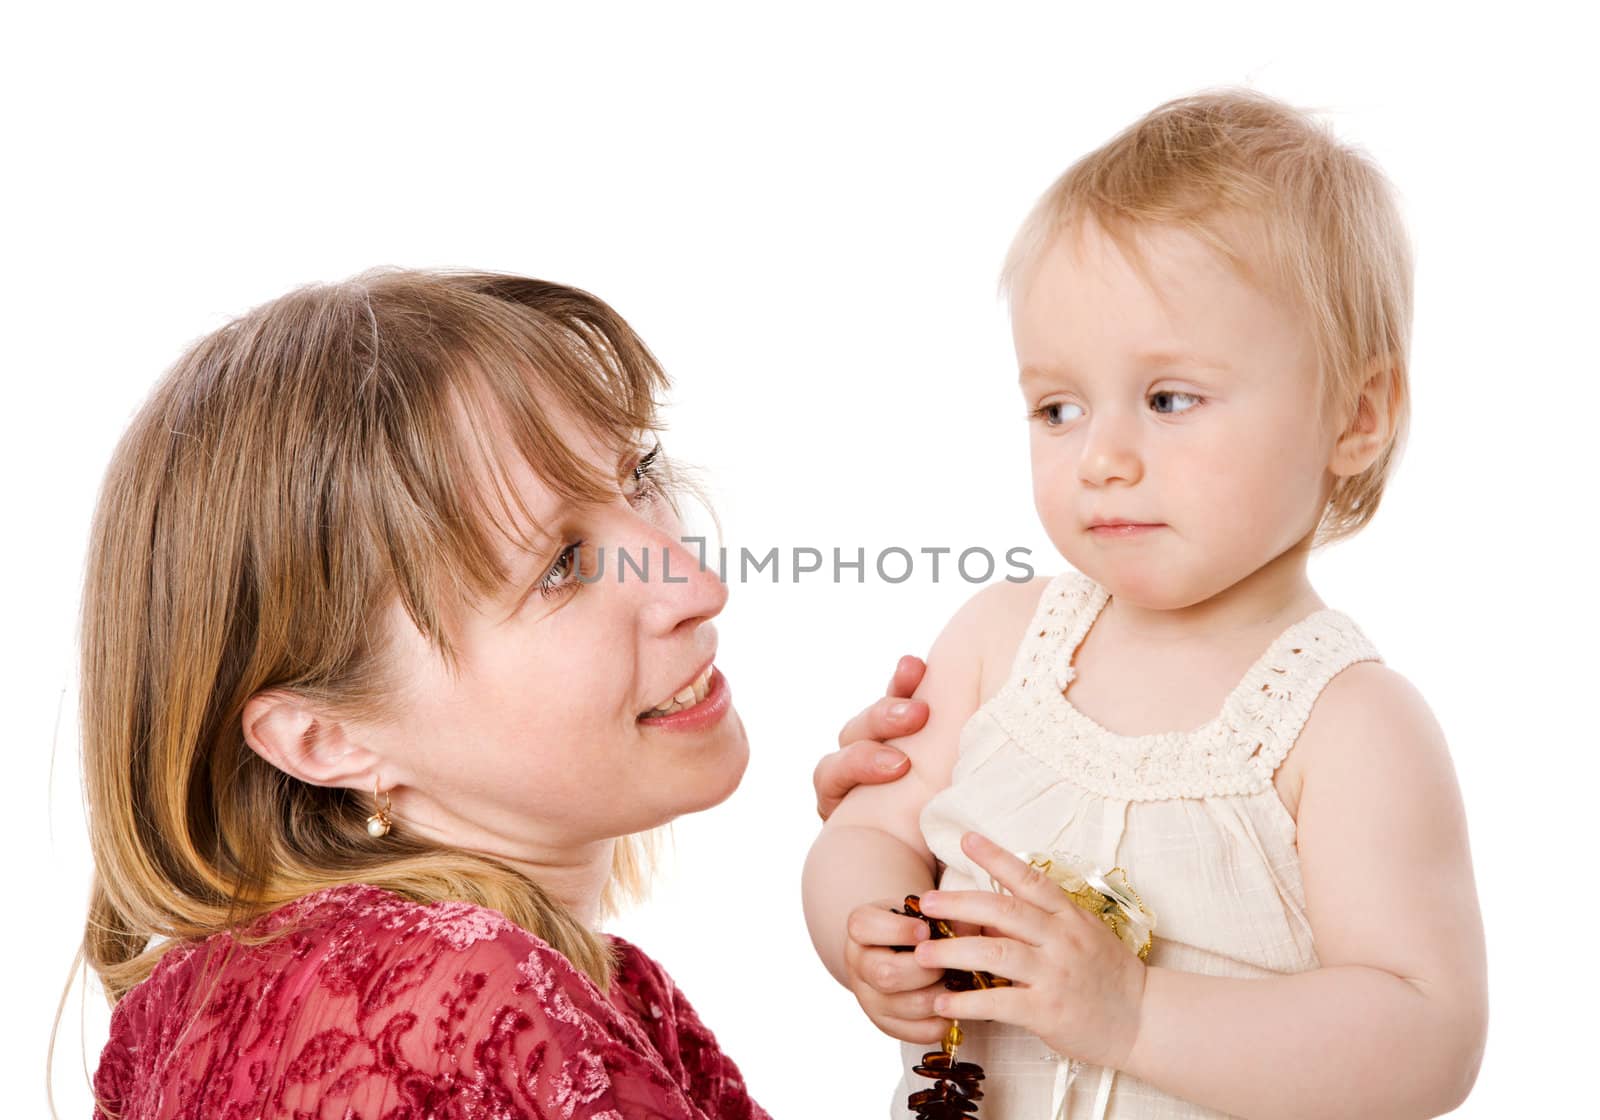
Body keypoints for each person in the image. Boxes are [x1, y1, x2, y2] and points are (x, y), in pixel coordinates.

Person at [66, 268, 923, 1119]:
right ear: (322, 738)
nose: (696, 583)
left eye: (639, 477)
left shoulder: (219, 1004)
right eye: (559, 567)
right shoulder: (466, 1006)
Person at [802, 89, 1488, 1118]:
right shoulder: (999, 643)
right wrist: (866, 933)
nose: (1103, 459)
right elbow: (866, 831)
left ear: (1354, 415)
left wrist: (1132, 1015)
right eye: (1057, 408)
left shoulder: (1348, 727)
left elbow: (1425, 1036)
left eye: (1169, 399)